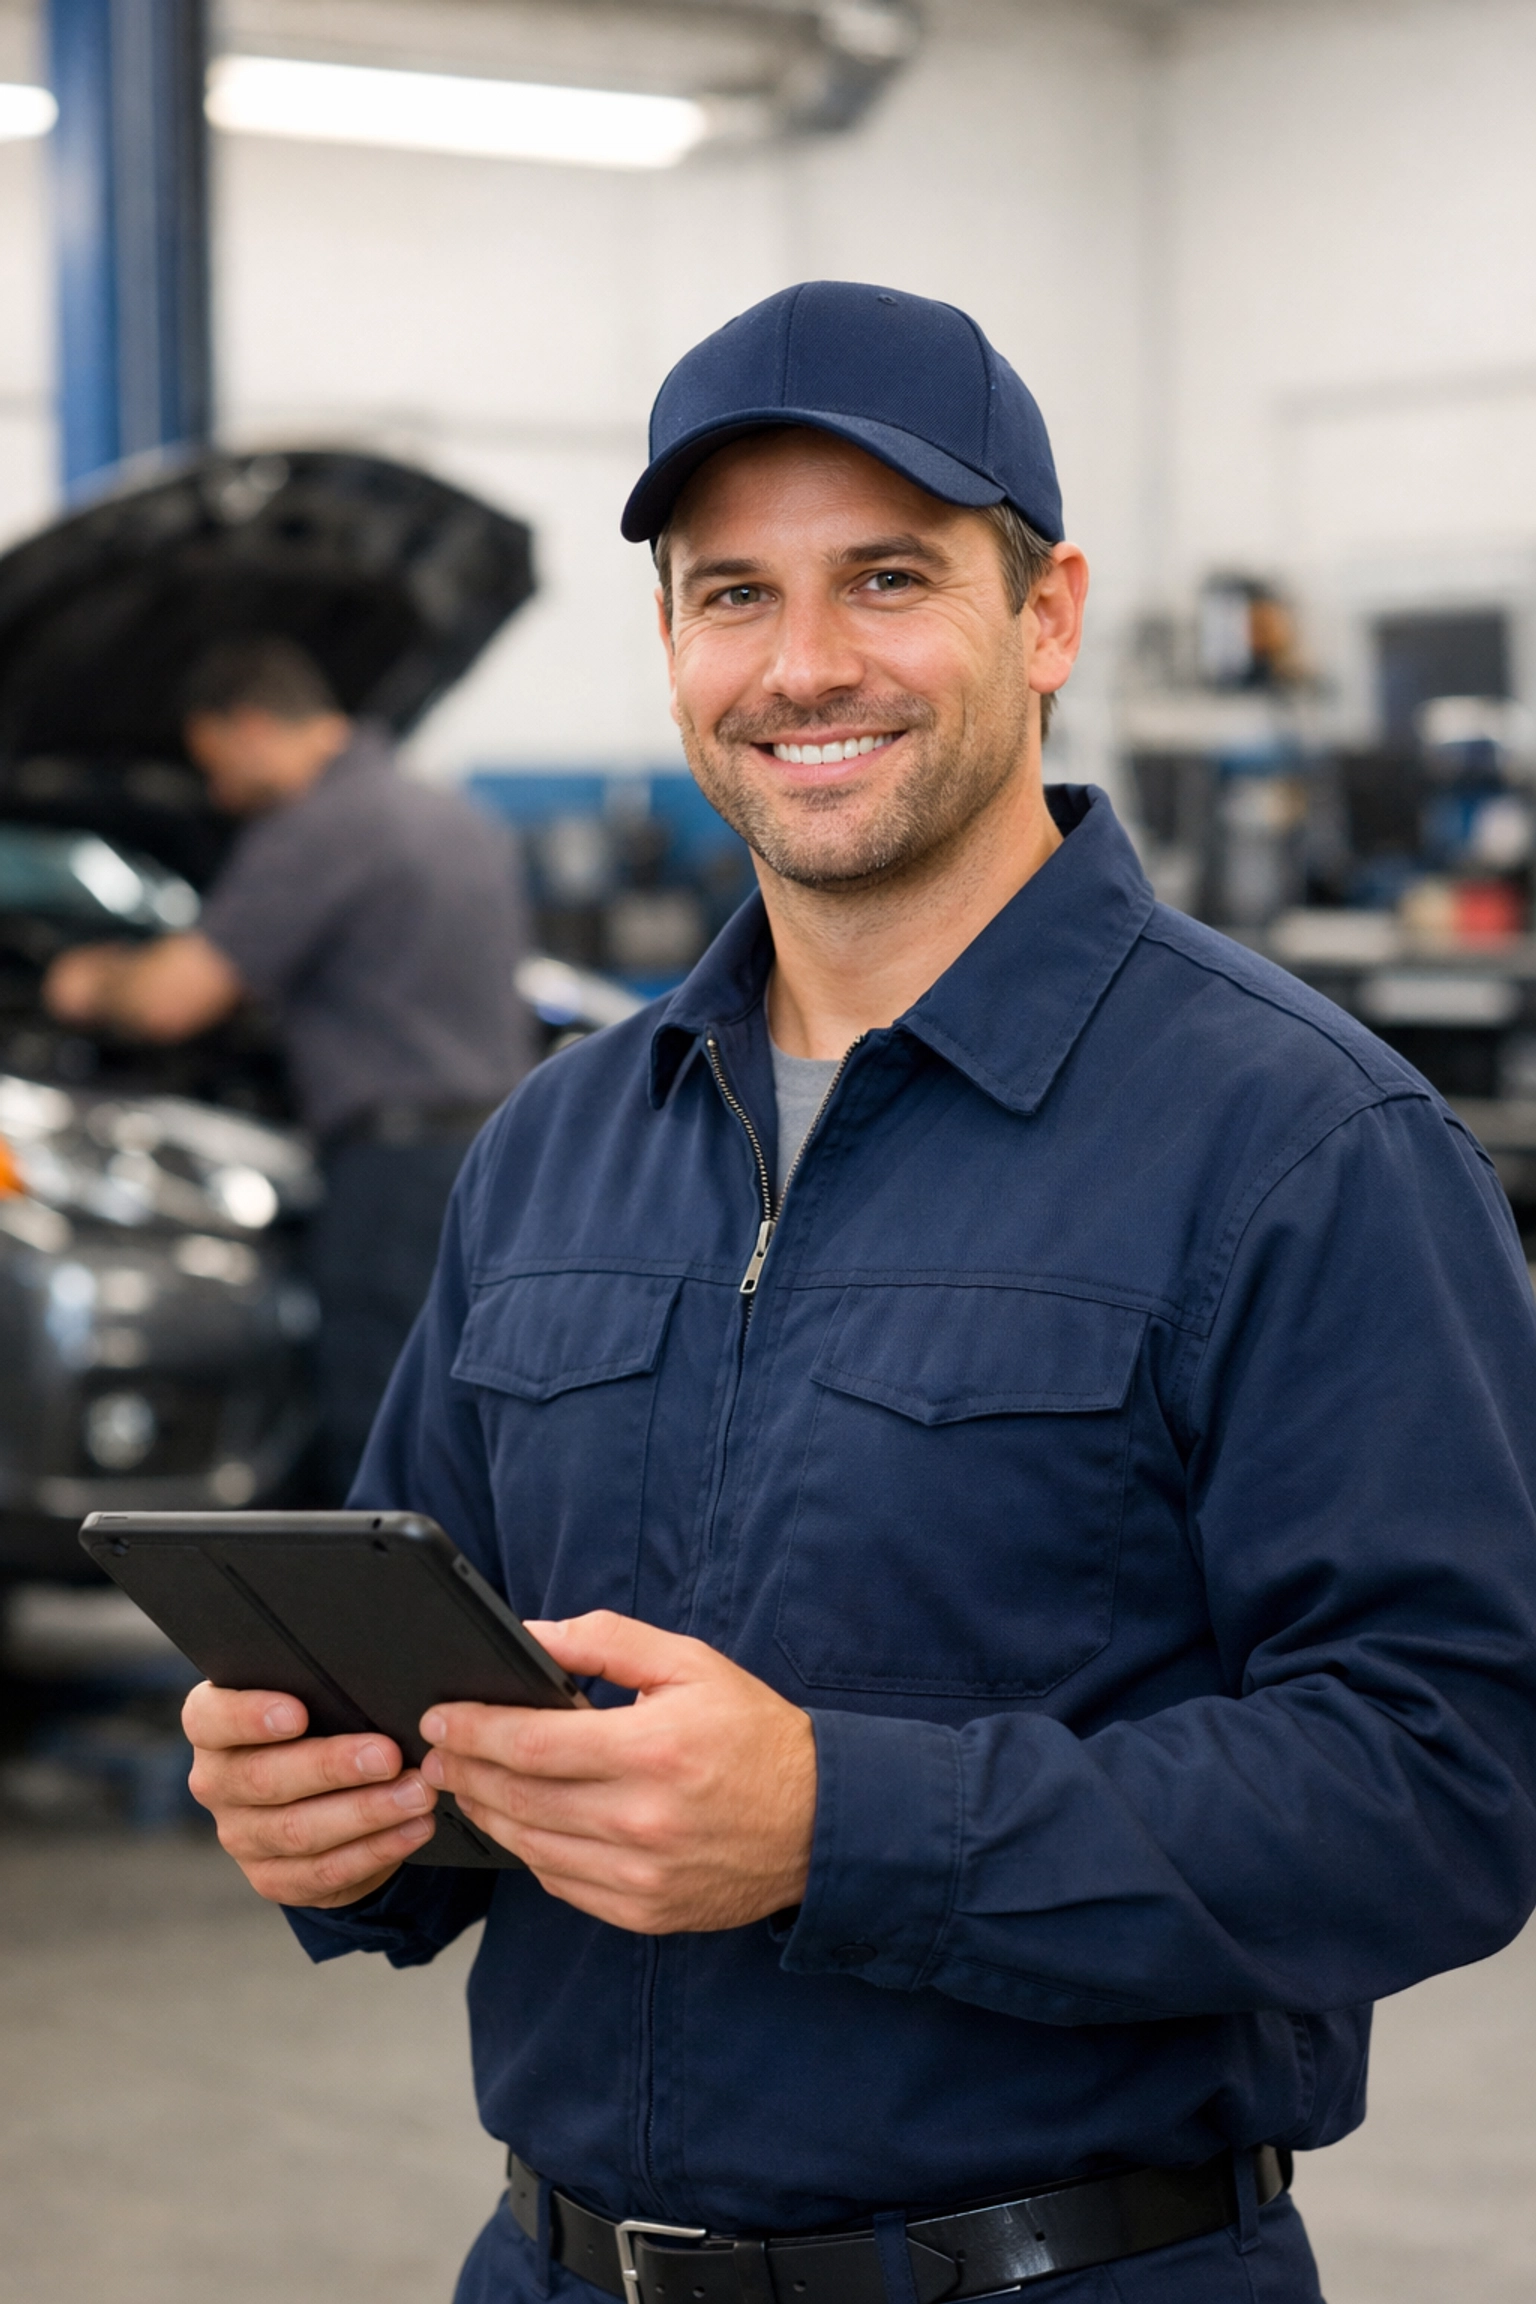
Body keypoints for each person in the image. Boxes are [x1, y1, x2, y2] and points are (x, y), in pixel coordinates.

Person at [183, 284, 1536, 2304]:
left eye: (887, 578)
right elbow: (441, 1681)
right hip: (553, 2265)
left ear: (1048, 614)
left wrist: (842, 1821)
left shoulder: (1300, 1140)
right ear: (669, 644)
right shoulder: (557, 1142)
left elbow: (1447, 1781)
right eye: (732, 594)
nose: (802, 664)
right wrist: (329, 1808)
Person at [44, 636, 536, 1494]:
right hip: (492, 1158)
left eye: (215, 766)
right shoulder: (453, 816)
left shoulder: (320, 828)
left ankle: (386, 1589)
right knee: (458, 1420)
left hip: (393, 1177)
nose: (217, 795)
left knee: (380, 1427)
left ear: (251, 726)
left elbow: (170, 1001)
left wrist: (86, 981)